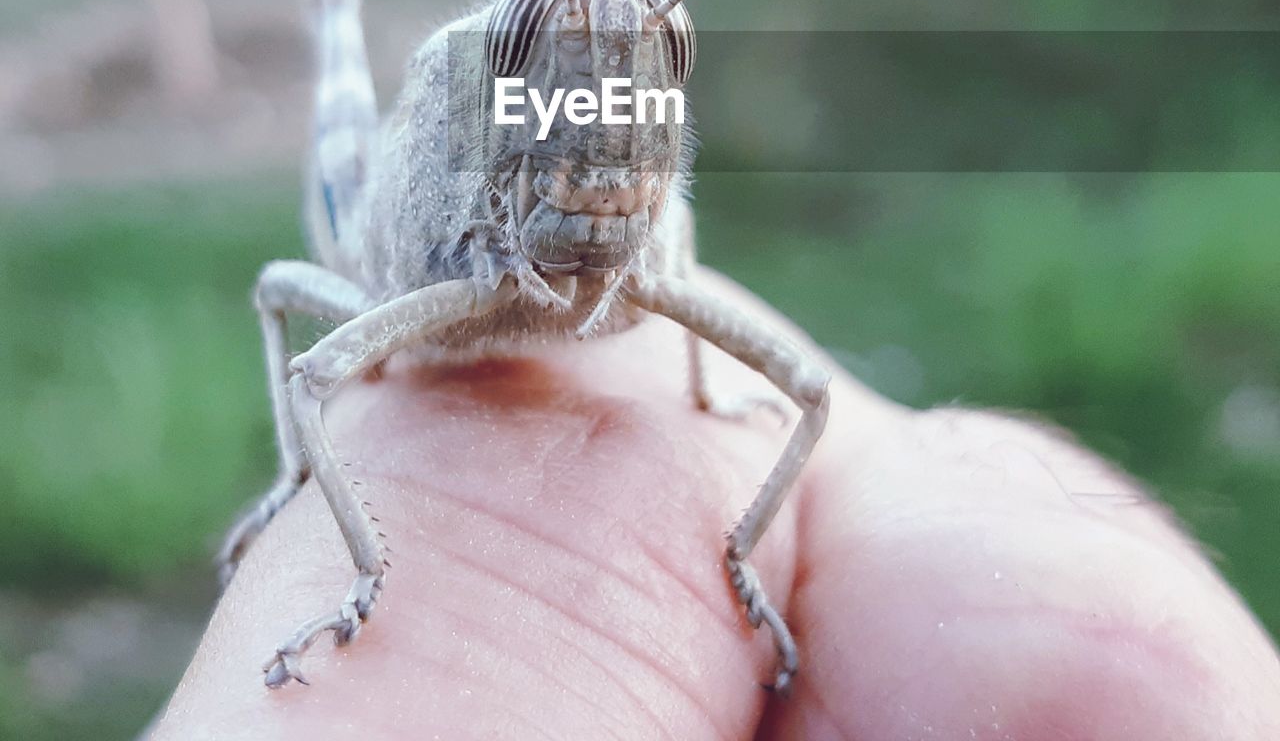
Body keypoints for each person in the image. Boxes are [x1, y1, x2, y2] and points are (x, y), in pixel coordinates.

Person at [154, 269, 1280, 738]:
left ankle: (740, 539)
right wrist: (310, 489)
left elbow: (797, 388)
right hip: (415, 270)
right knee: (295, 323)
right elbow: (309, 355)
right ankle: (325, 528)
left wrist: (714, 451)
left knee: (800, 388)